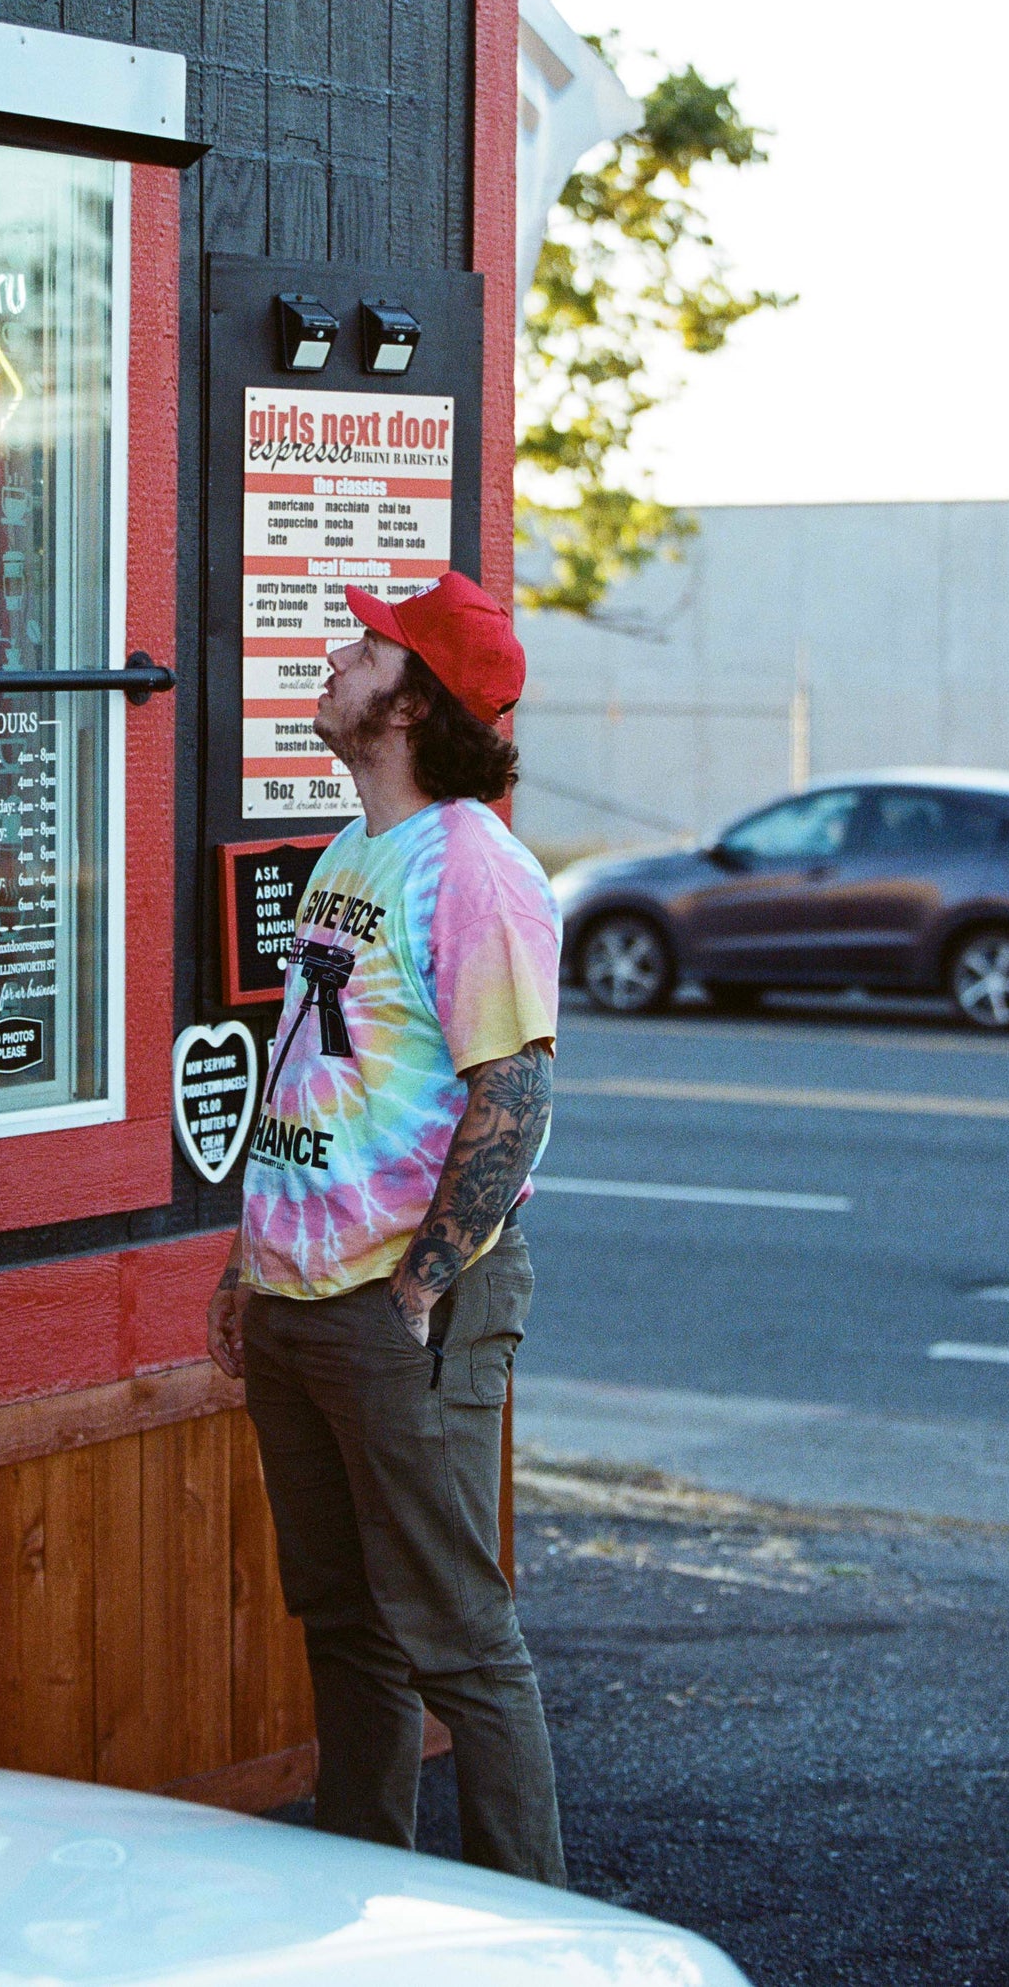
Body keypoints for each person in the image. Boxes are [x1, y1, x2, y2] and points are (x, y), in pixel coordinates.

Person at [208, 569, 567, 1886]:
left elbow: (515, 1088)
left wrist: (420, 1288)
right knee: (346, 1624)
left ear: (410, 697)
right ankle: (370, 1903)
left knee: (459, 1637)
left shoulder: (474, 862)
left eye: (364, 646)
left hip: (402, 1304)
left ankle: (532, 1933)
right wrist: (250, 1260)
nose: (336, 655)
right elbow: (312, 1070)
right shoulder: (355, 848)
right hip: (304, 1298)